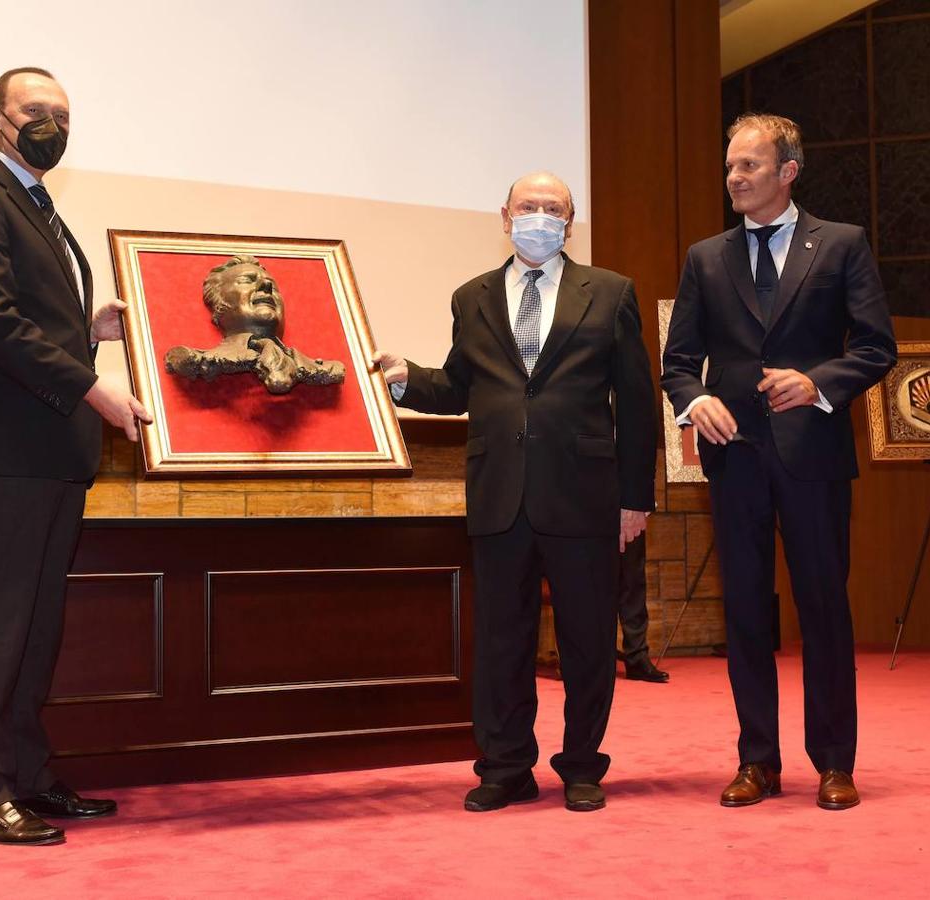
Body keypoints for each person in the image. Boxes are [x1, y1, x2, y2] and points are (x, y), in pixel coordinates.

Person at [373, 172, 658, 813]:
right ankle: (505, 766)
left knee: (588, 639)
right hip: (499, 491)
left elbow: (636, 404)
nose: (539, 217)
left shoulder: (611, 293)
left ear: (570, 220)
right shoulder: (470, 297)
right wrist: (404, 380)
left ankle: (582, 766)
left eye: (553, 209)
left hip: (585, 494)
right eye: (528, 206)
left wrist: (635, 498)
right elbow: (459, 385)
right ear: (504, 216)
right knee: (502, 639)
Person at [0, 66, 152, 845]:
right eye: (34, 111)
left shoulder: (40, 208)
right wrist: (92, 385)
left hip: (50, 451)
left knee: (36, 627)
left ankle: (26, 775)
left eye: (61, 113)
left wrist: (90, 331)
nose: (50, 124)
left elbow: (30, 321)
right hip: (0, 449)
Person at [661, 114, 896, 811]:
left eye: (748, 166)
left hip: (813, 456)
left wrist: (818, 383)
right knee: (743, 614)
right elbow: (678, 363)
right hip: (732, 459)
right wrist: (694, 399)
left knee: (823, 609)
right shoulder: (706, 257)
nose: (733, 178)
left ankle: (832, 763)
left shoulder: (842, 245)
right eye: (729, 166)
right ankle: (755, 762)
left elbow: (875, 346)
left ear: (787, 171)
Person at [165, 254, 345, 394]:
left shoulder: (326, 369)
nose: (266, 285)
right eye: (246, 281)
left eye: (273, 286)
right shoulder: (194, 360)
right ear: (219, 303)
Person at [617, 533, 670, 682]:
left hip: (628, 512)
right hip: (586, 515)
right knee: (593, 582)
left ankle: (636, 656)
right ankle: (595, 658)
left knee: (633, 579)